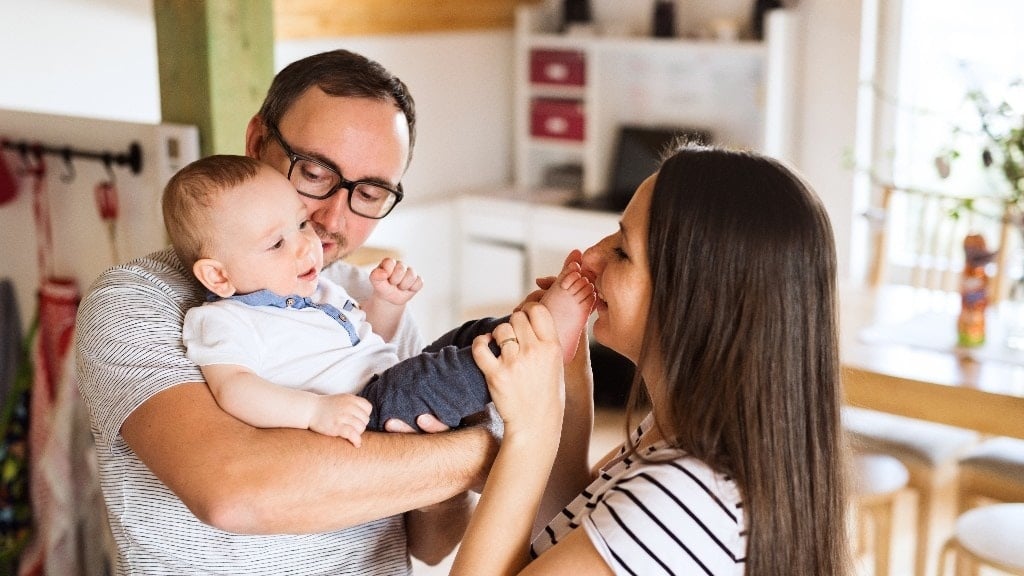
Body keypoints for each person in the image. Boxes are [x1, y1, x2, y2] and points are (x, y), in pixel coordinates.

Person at [74, 49, 499, 575]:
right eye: (316, 172)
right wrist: (486, 454)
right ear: (257, 143)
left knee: (487, 343)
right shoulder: (139, 302)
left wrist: (437, 472)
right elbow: (235, 493)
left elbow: (430, 543)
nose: (330, 218)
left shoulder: (355, 301)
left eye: (369, 192)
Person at [449, 143, 853, 575]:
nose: (589, 258)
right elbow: (566, 530)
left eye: (622, 251)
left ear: (697, 301)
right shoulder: (683, 435)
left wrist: (531, 430)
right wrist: (566, 376)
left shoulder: (686, 495)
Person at [164, 154, 594, 444]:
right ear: (218, 275)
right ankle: (543, 335)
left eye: (299, 224)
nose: (305, 245)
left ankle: (532, 330)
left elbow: (372, 340)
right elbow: (235, 390)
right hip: (367, 412)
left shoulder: (318, 287)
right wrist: (314, 412)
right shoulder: (224, 320)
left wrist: (386, 303)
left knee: (463, 340)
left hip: (390, 377)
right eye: (276, 244)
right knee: (445, 373)